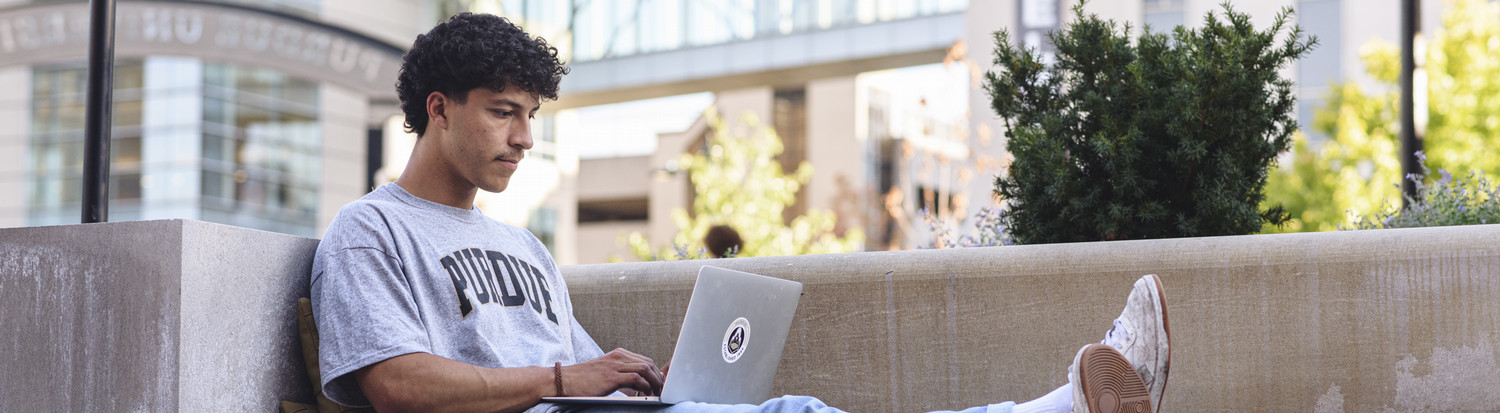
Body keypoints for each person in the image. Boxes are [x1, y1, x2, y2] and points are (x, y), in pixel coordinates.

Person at [310, 13, 1171, 413]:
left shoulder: (522, 245)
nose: (525, 136)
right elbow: (394, 383)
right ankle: (1063, 404)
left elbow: (569, 372)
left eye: (533, 115)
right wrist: (567, 380)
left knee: (788, 411)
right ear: (438, 108)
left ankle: (1065, 404)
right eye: (505, 111)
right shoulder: (369, 232)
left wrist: (629, 377)